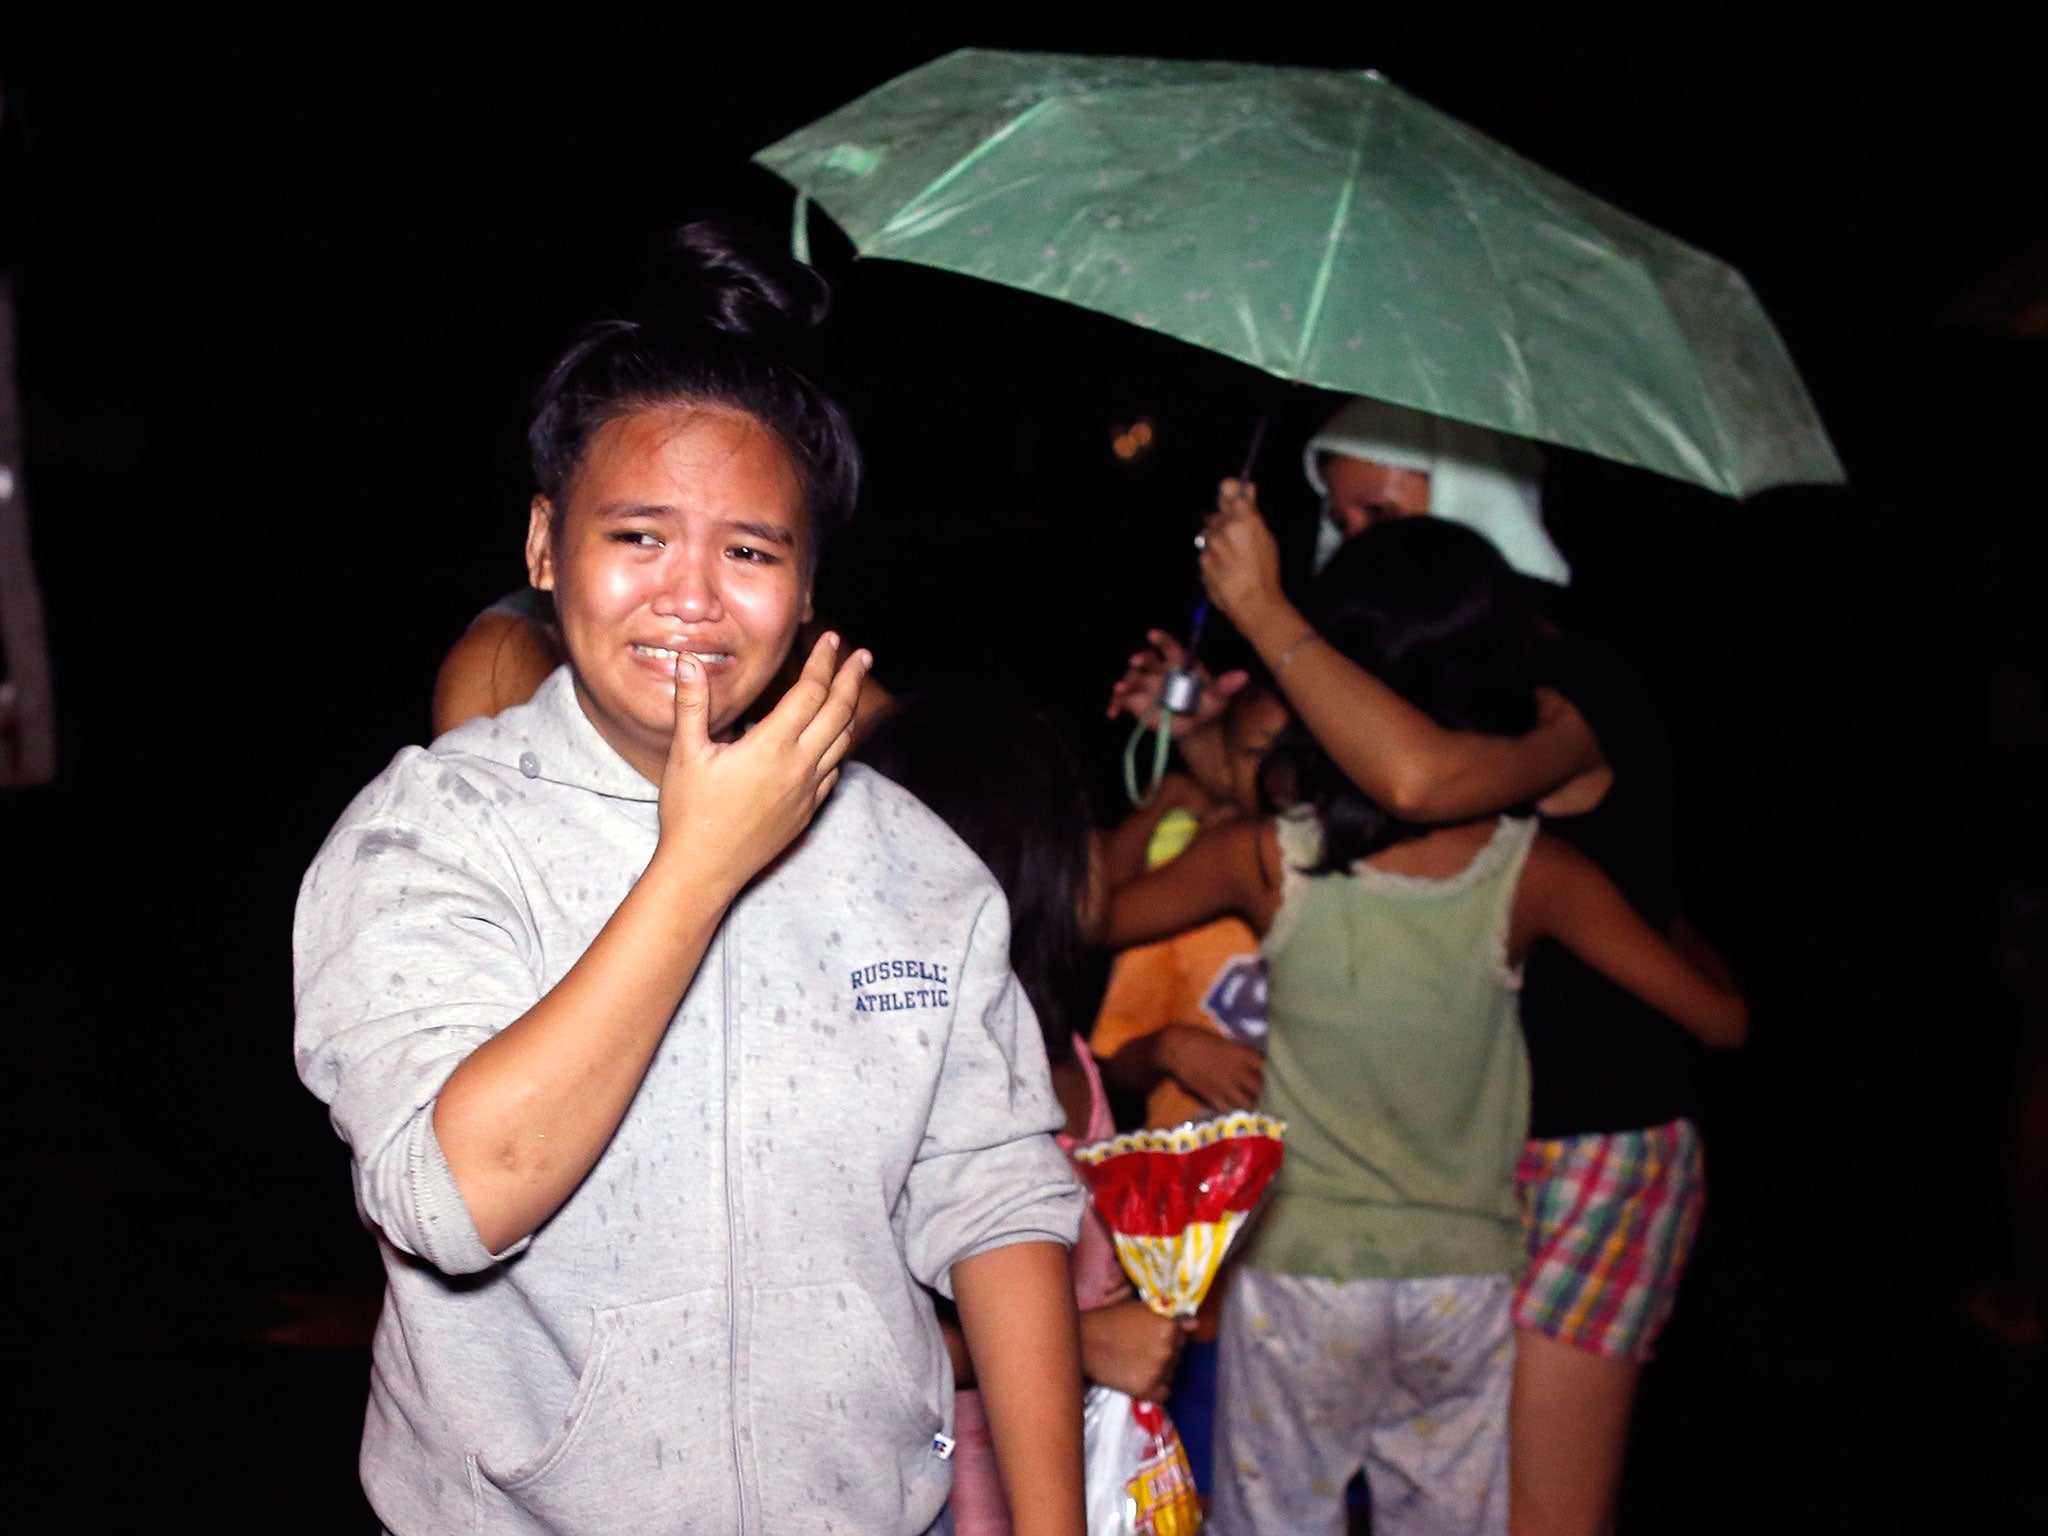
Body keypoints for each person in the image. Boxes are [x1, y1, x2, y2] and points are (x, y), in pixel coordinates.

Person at [294, 225, 1087, 1536]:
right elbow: (456, 1197)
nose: (692, 598)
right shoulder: (430, 835)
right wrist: (701, 863)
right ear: (547, 546)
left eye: (753, 552)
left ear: (809, 584)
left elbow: (997, 1194)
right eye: (640, 535)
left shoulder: (909, 862)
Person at [1112, 398, 1726, 1536]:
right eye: (1335, 509)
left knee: (1533, 1512)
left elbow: (1417, 787)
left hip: (1588, 1144)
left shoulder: (1570, 682)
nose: (1346, 533)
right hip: (1458, 1171)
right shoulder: (1422, 704)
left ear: (1481, 506)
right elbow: (1312, 801)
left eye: (1375, 507)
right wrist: (1196, 728)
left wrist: (1263, 607)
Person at [854, 690, 1195, 1536]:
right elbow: (859, 1344)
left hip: (1068, 1474)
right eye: (1082, 831)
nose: (1103, 854)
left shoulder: (1063, 1054)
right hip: (946, 1488)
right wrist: (1086, 1341)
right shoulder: (898, 1093)